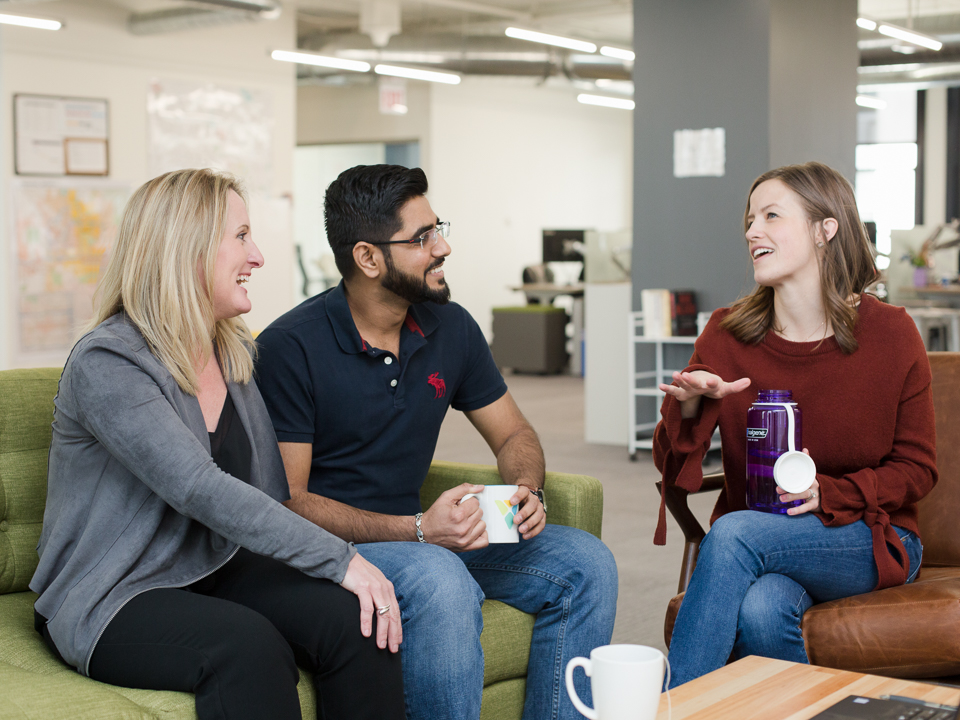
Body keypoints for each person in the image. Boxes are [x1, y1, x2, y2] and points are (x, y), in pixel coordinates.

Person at [29, 168, 405, 720]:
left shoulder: (232, 354)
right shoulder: (109, 362)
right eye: (241, 236)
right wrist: (340, 558)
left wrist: (337, 572)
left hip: (215, 567)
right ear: (187, 247)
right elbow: (198, 487)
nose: (257, 256)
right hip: (115, 592)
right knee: (247, 649)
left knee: (358, 621)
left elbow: (269, 494)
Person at [254, 164, 619, 720]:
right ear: (368, 258)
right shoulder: (290, 347)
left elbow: (514, 432)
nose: (443, 246)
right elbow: (290, 503)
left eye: (438, 228)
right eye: (422, 238)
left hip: (423, 537)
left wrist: (527, 488)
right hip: (335, 555)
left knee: (586, 562)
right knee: (440, 578)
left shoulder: (451, 327)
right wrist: (420, 531)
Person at [652, 161, 937, 688]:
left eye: (771, 215)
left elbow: (917, 470)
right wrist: (692, 406)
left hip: (868, 534)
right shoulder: (726, 333)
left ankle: (672, 708)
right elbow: (671, 455)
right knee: (761, 610)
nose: (751, 230)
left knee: (734, 535)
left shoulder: (892, 334)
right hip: (764, 536)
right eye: (749, 218)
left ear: (825, 228)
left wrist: (832, 494)